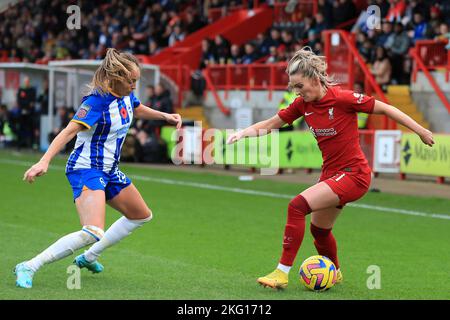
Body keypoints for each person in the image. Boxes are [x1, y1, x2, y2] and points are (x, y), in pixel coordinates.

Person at [226, 47, 434, 289]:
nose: (297, 91)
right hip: (332, 175)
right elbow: (272, 123)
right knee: (319, 231)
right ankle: (334, 272)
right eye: (294, 87)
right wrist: (242, 133)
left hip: (354, 175)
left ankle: (281, 272)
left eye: (300, 85)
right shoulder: (302, 105)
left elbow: (386, 108)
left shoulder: (343, 98)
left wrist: (420, 130)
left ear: (314, 80)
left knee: (296, 206)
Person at [15, 48, 182, 289]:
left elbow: (136, 107)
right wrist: (44, 161)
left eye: (136, 80)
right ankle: (29, 265)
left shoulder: (125, 95)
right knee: (93, 230)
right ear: (116, 77)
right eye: (131, 80)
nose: (135, 85)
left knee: (141, 215)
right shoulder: (96, 102)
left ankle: (89, 256)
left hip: (110, 169)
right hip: (86, 168)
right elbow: (69, 131)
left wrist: (164, 115)